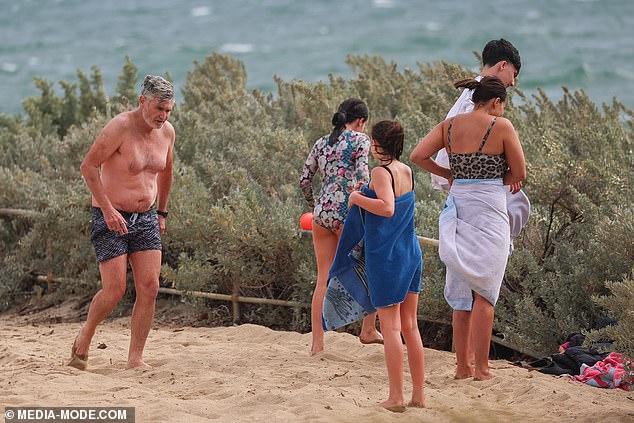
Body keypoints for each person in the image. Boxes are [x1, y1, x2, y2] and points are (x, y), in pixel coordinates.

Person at [410, 76, 526, 380]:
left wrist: (448, 173)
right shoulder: (501, 126)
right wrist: (494, 181)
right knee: (485, 293)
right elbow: (520, 171)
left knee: (461, 296)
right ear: (496, 102)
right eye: (503, 104)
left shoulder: (450, 126)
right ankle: (483, 369)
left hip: (459, 205)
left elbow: (417, 156)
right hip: (489, 210)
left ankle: (462, 367)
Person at [68, 75, 175, 370]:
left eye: (168, 111)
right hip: (111, 215)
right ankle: (86, 333)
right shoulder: (120, 127)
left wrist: (162, 212)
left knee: (150, 287)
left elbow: (166, 173)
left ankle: (135, 358)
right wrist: (107, 210)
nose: (163, 117)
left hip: (147, 217)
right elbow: (88, 166)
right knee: (115, 290)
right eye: (159, 109)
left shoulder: (167, 132)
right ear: (143, 101)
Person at [347, 120, 425, 411]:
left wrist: (357, 197)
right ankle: (418, 396)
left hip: (388, 257)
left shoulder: (381, 172)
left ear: (378, 144)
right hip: (411, 252)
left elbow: (388, 207)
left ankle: (395, 398)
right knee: (410, 326)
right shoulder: (407, 170)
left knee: (391, 328)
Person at [299, 98, 382, 356]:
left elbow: (304, 180)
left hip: (321, 214)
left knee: (323, 276)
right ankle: (368, 329)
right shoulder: (360, 140)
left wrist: (317, 204)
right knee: (371, 267)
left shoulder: (321, 142)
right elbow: (363, 176)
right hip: (348, 211)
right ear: (360, 121)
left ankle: (317, 344)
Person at [432, 38, 522, 192]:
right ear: (503, 65)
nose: (513, 82)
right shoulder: (478, 95)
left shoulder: (477, 89)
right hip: (464, 174)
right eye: (514, 74)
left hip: (463, 171)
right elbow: (472, 135)